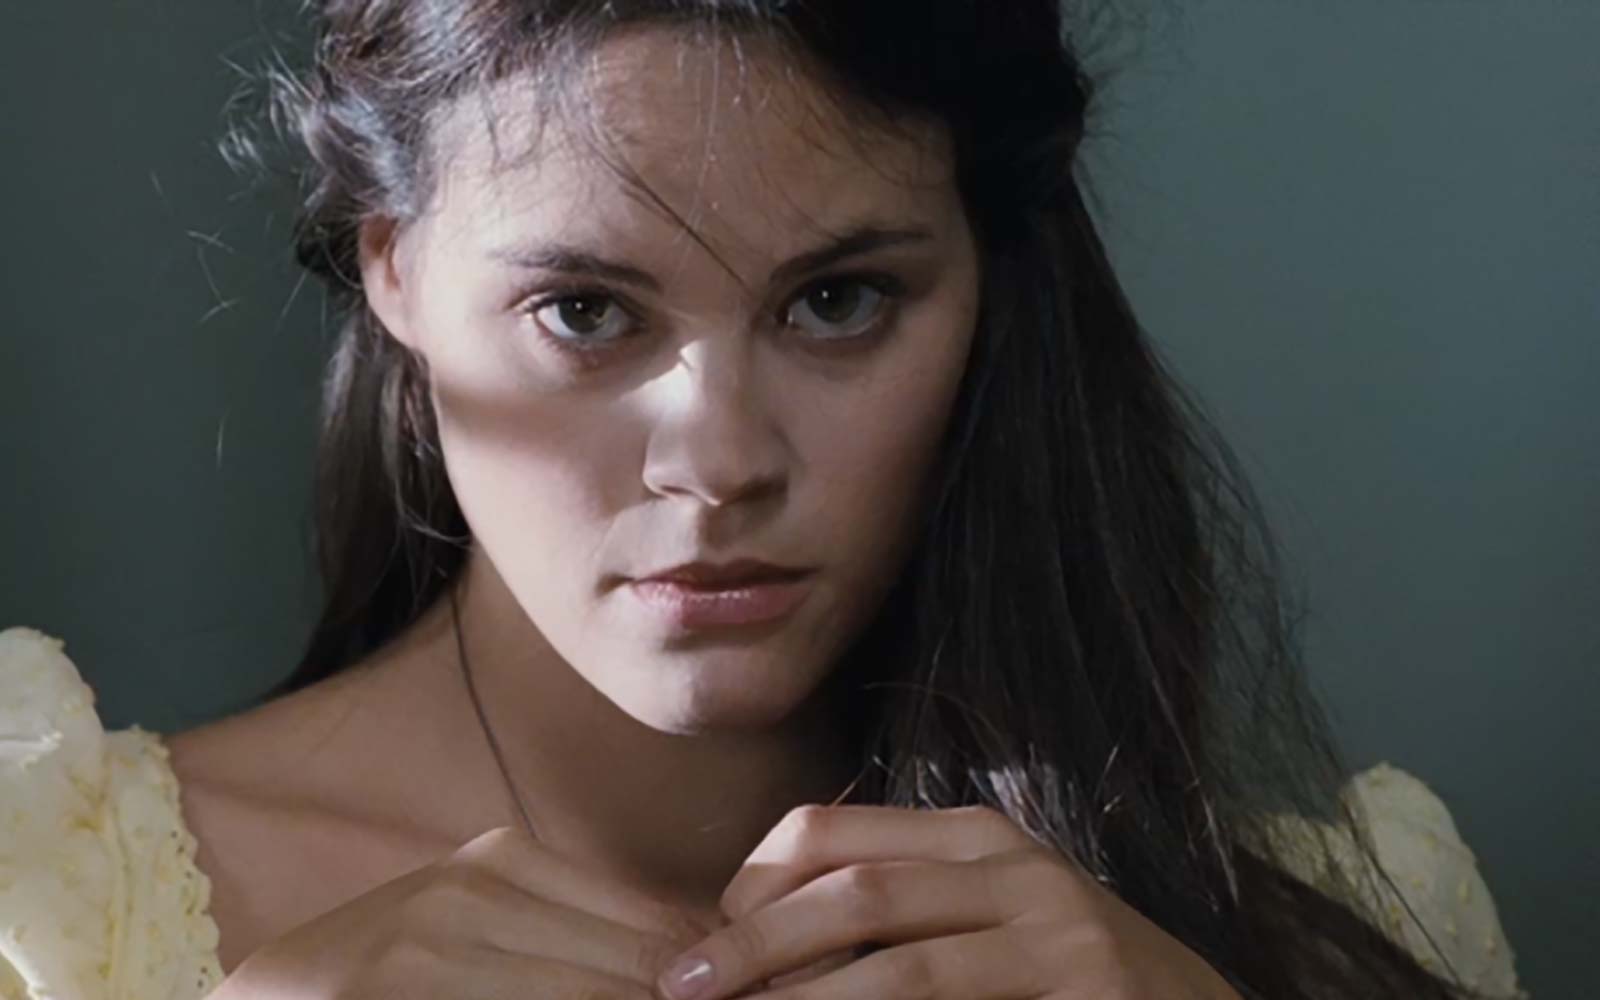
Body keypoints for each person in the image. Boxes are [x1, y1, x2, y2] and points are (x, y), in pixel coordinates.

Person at [0, 2, 1524, 999]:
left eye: (839, 301)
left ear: (990, 279)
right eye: (586, 313)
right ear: (389, 267)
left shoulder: (1330, 932)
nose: (721, 460)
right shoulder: (36, 895)